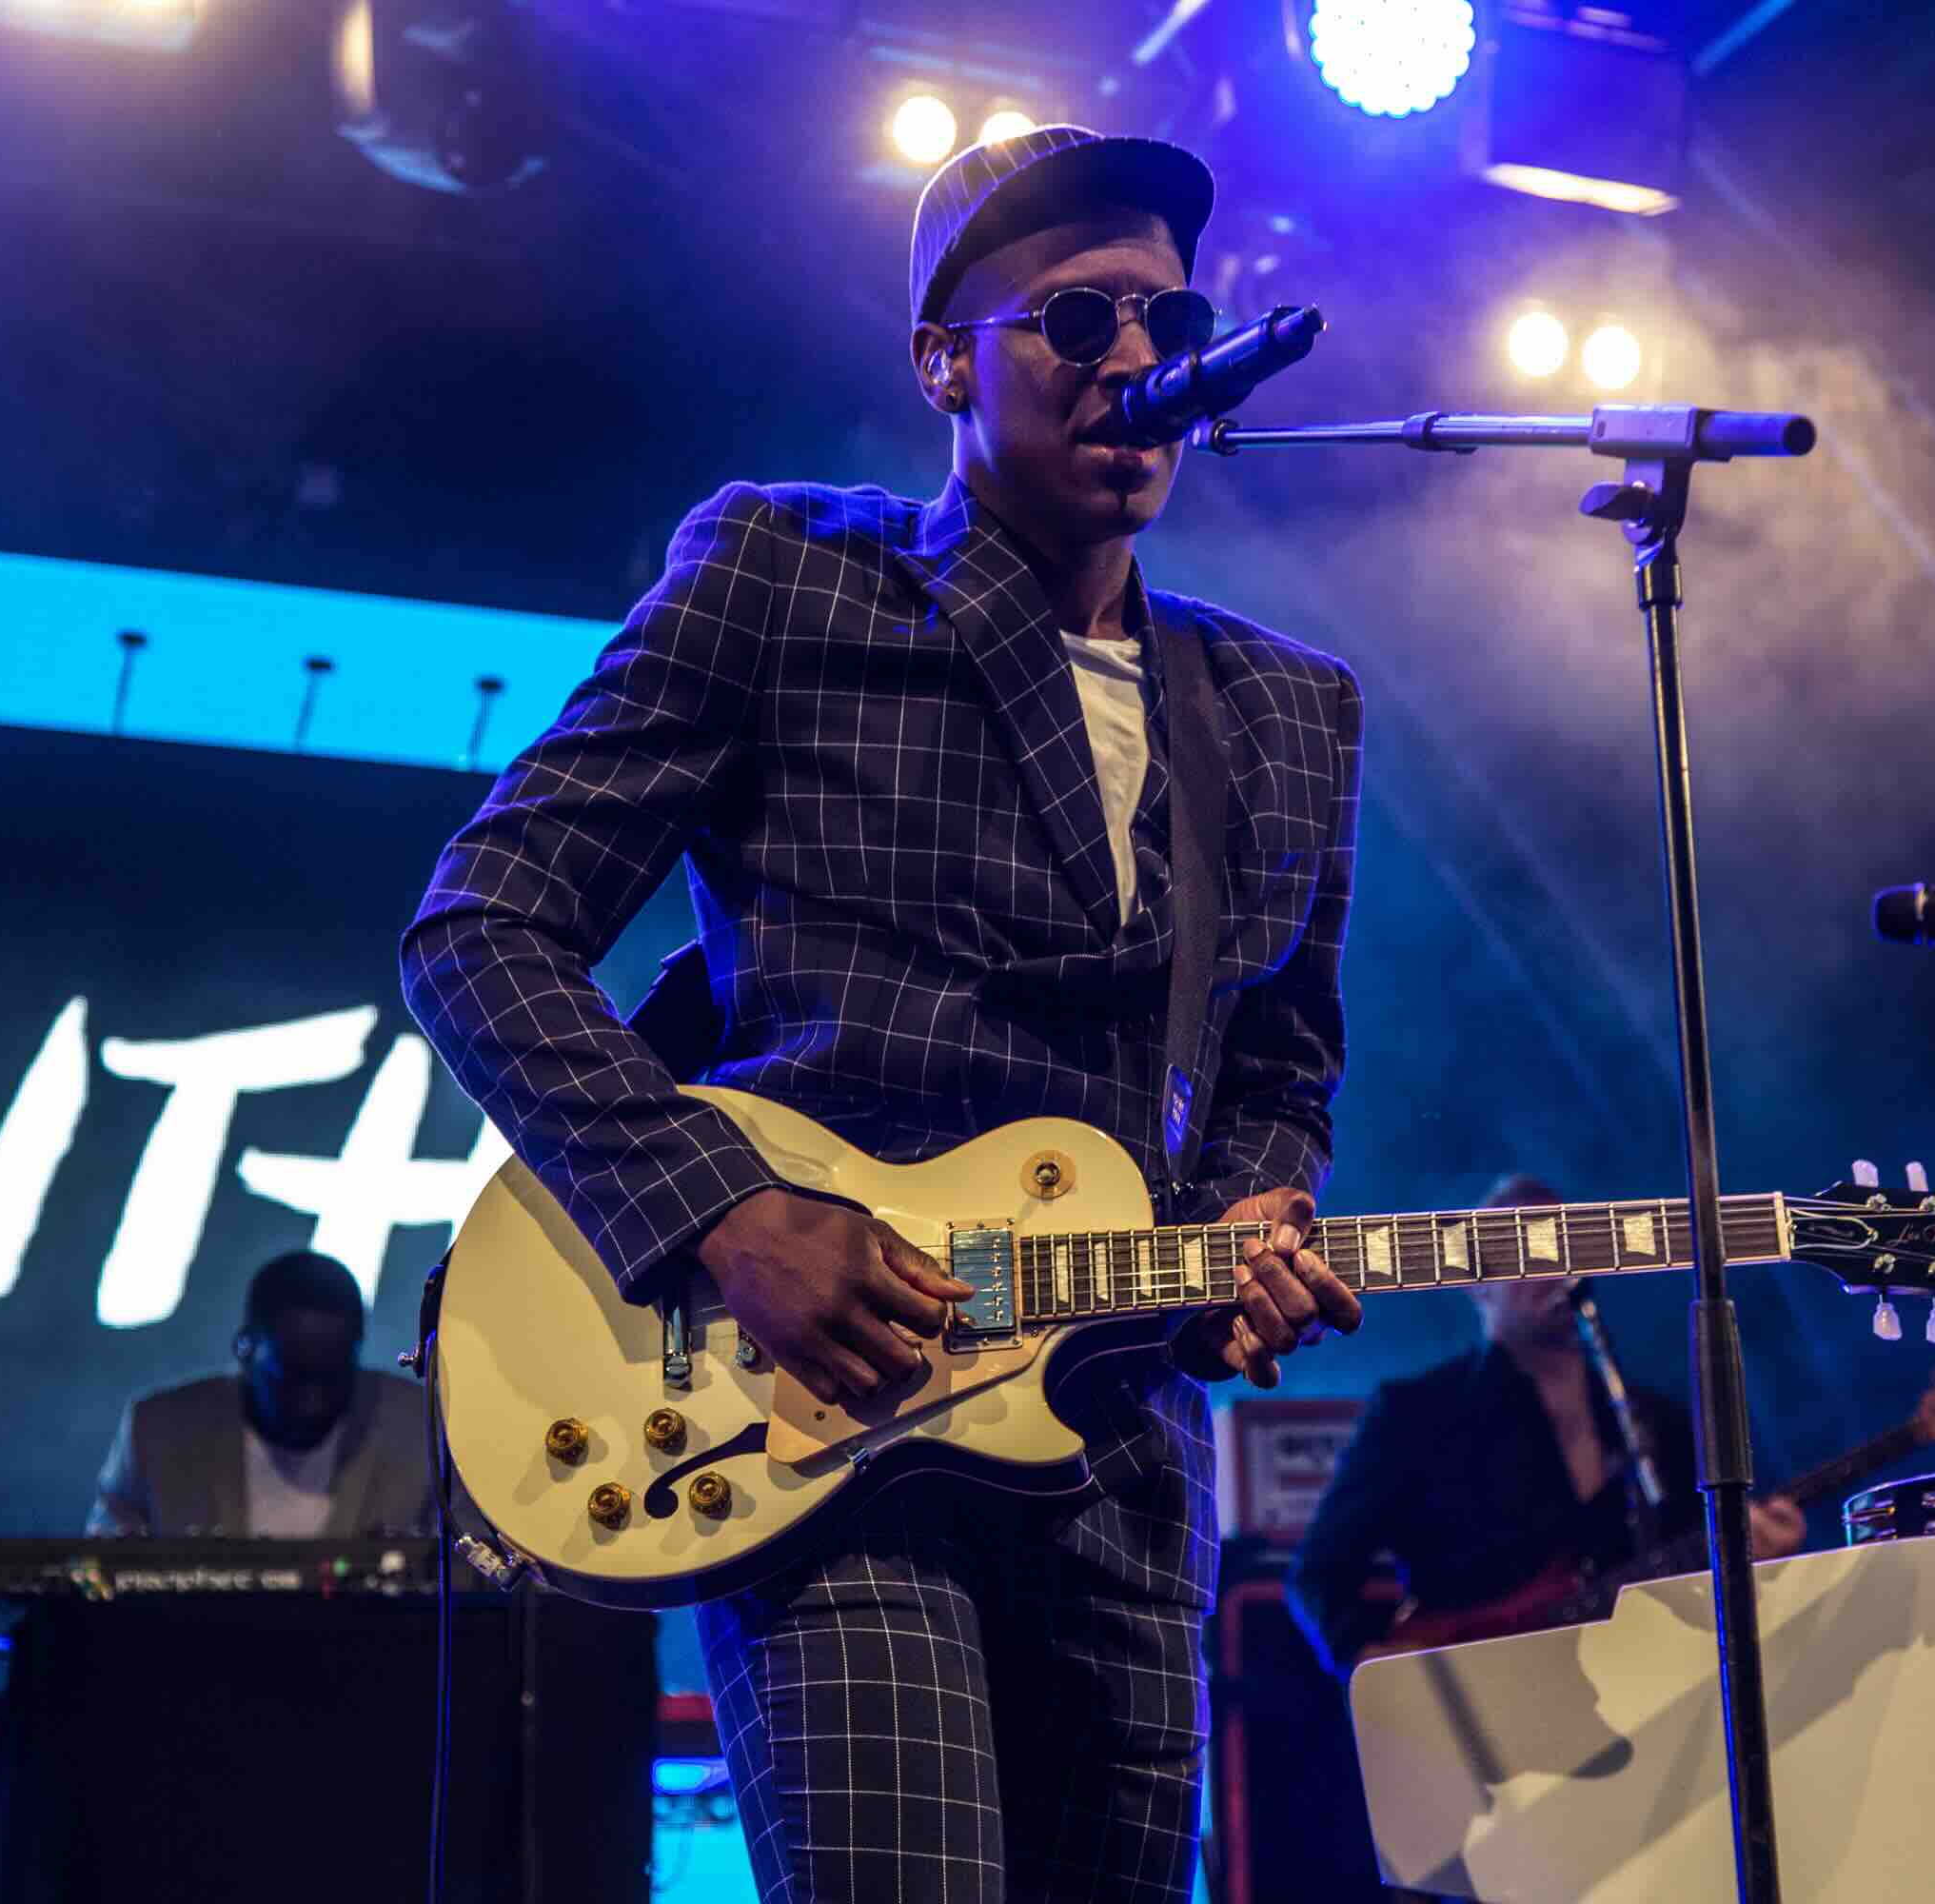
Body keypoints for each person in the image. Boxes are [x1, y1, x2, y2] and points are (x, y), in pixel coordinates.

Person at [400, 125, 1365, 1902]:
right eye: (1077, 322)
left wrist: (1256, 1204)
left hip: (1126, 1446)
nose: (1140, 360)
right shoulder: (789, 576)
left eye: (1169, 316)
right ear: (945, 362)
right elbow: (481, 926)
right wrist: (722, 1212)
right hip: (831, 1427)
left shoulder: (1291, 708)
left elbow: (1282, 1055)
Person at [1287, 1174, 1803, 1677]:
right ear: (1474, 1283)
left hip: (1636, 1682)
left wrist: (1744, 1554)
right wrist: (1377, 1669)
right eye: (1521, 1246)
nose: (1551, 1263)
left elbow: (1687, 1570)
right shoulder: (1414, 1415)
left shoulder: (1653, 1419)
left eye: (1566, 1243)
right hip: (1486, 1699)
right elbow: (1319, 1574)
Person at [87, 1248, 433, 1537]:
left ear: (357, 1354)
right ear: (244, 1348)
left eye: (331, 1380)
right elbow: (100, 1571)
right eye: (294, 1378)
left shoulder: (420, 1425)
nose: (313, 1404)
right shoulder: (158, 1429)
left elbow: (471, 1570)